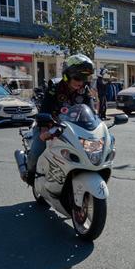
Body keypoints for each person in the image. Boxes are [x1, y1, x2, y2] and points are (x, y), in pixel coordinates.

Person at [25, 54, 96, 183]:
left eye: (84, 78)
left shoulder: (85, 90)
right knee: (37, 150)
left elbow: (92, 113)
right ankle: (29, 174)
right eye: (77, 78)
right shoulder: (54, 87)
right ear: (67, 75)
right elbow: (45, 109)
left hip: (74, 131)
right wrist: (44, 129)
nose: (80, 82)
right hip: (51, 126)